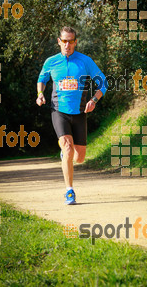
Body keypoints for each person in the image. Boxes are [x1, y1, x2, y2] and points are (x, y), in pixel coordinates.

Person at [36, 26, 107, 205]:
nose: (67, 44)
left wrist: (94, 100)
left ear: (75, 42)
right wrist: (40, 94)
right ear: (59, 41)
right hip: (58, 111)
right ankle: (69, 191)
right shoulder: (51, 62)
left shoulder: (85, 61)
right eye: (64, 41)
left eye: (71, 41)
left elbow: (103, 83)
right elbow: (42, 80)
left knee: (79, 157)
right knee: (67, 147)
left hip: (80, 112)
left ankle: (65, 156)